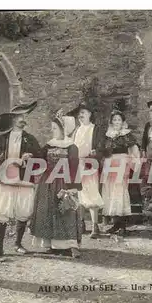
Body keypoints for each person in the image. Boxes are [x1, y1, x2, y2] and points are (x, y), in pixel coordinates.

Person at [0, 101, 41, 257]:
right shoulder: (2, 139)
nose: (23, 119)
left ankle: (18, 244)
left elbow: (41, 157)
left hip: (24, 179)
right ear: (13, 119)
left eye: (24, 116)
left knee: (23, 211)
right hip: (5, 180)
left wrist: (32, 157)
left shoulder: (30, 139)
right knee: (1, 212)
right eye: (20, 116)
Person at [30, 111, 82, 258]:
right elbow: (39, 158)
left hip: (64, 182)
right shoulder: (48, 145)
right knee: (48, 210)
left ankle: (68, 245)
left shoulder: (71, 147)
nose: (52, 131)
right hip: (47, 182)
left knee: (64, 210)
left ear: (63, 129)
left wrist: (72, 187)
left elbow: (74, 167)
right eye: (52, 128)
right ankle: (51, 244)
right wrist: (30, 156)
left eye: (54, 128)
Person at [67, 102, 105, 239]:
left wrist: (95, 154)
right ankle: (81, 223)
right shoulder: (76, 130)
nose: (80, 116)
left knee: (92, 192)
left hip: (89, 163)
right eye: (79, 114)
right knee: (79, 194)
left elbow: (101, 146)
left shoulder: (95, 129)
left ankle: (95, 226)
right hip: (77, 165)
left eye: (83, 113)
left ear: (89, 114)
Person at [101, 110, 140, 236]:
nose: (116, 122)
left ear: (123, 122)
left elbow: (134, 150)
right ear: (111, 121)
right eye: (114, 120)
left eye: (119, 120)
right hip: (110, 163)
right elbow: (104, 150)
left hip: (122, 163)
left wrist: (135, 164)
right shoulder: (108, 134)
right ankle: (116, 223)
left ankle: (123, 225)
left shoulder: (127, 134)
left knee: (120, 191)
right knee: (111, 192)